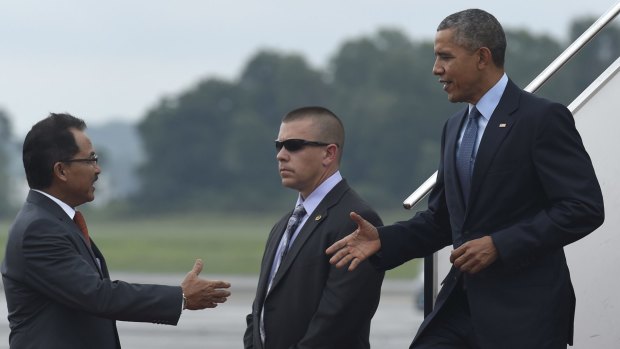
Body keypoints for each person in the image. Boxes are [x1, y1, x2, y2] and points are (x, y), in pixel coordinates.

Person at [327, 9, 604, 349]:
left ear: (482, 57)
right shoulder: (454, 127)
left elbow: (583, 207)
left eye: (445, 57)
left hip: (524, 316)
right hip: (460, 306)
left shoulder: (542, 119)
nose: (436, 69)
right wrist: (384, 240)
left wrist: (499, 245)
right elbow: (441, 221)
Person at [1, 113, 232, 349]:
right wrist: (180, 297)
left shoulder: (53, 220)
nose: (98, 169)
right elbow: (98, 296)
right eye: (90, 160)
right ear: (61, 171)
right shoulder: (39, 230)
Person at [244, 106, 384, 349]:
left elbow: (339, 320)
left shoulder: (355, 219)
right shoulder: (284, 224)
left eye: (294, 145)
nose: (281, 155)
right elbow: (260, 309)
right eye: (279, 145)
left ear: (329, 154)